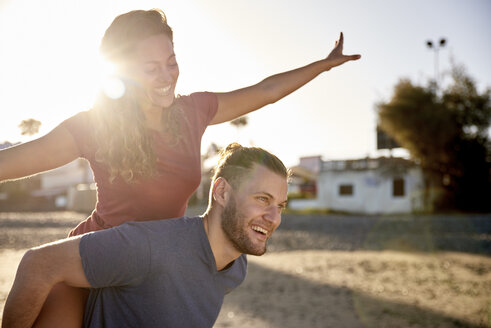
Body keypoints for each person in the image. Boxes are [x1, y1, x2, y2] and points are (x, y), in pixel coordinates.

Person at [0, 8, 360, 327]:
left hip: (160, 261)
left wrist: (322, 65)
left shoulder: (192, 112)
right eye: (151, 68)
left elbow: (265, 90)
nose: (166, 75)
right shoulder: (96, 125)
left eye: (171, 62)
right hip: (98, 253)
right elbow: (16, 160)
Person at [2, 143, 289, 328]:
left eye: (279, 206)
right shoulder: (151, 246)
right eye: (262, 199)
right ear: (222, 192)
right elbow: (38, 264)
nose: (274, 218)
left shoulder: (235, 268)